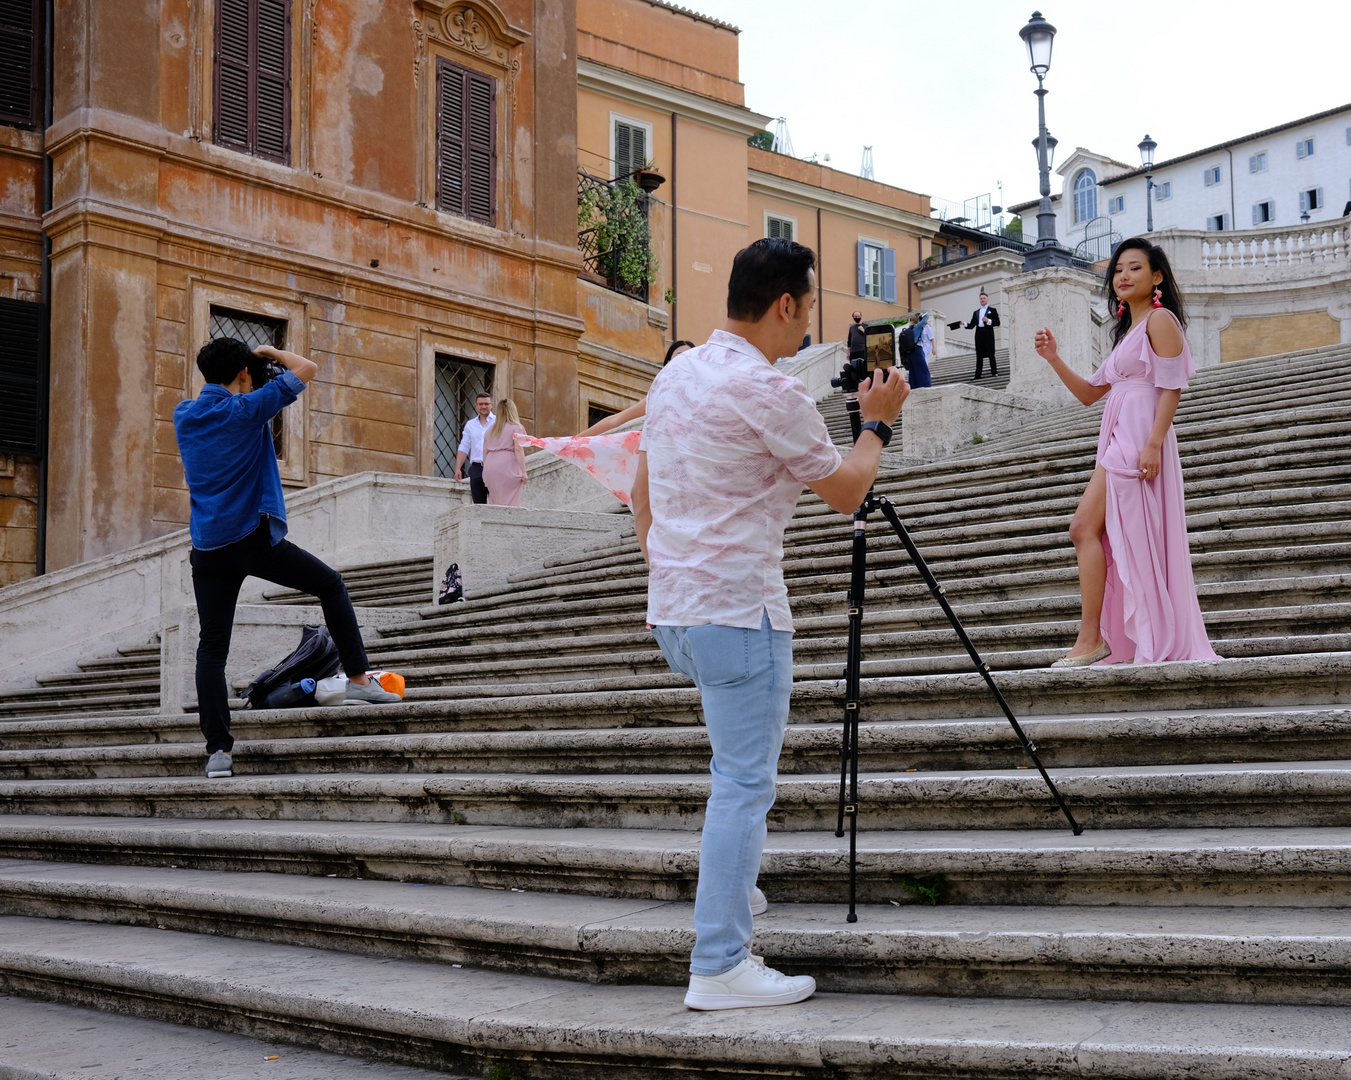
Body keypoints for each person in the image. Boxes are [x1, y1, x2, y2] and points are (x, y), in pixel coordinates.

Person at [632, 238, 908, 1010]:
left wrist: (666, 567)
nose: (807, 325)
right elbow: (848, 490)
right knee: (743, 786)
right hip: (738, 613)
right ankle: (719, 963)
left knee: (732, 780)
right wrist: (877, 423)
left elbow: (639, 491)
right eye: (808, 307)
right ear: (785, 304)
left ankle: (735, 891)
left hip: (676, 614)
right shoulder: (770, 390)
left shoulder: (675, 374)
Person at [173, 339, 400, 779]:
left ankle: (218, 752)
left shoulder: (185, 415)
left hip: (207, 548)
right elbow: (308, 367)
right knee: (330, 584)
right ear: (242, 372)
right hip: (251, 539)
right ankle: (358, 681)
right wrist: (270, 353)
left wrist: (248, 368)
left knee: (212, 649)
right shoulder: (247, 410)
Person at [1035, 236, 1219, 667]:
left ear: (1156, 276)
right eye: (1118, 270)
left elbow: (1171, 386)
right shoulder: (1126, 336)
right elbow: (1088, 393)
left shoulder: (1160, 320)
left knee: (1083, 526)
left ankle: (1090, 638)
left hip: (1138, 437)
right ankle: (1094, 637)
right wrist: (1054, 358)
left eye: (1134, 268)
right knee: (1090, 531)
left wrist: (1153, 443)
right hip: (1119, 435)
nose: (1123, 276)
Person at [576, 339, 693, 438]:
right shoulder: (660, 394)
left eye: (691, 356)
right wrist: (574, 440)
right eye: (680, 356)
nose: (685, 360)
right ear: (668, 363)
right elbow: (618, 420)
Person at [481, 398, 528, 506]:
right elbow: (518, 449)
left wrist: (485, 468)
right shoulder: (517, 428)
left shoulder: (490, 430)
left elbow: (485, 451)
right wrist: (523, 471)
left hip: (490, 465)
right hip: (507, 464)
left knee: (495, 500)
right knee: (509, 501)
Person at [453, 392, 495, 503]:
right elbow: (464, 446)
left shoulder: (498, 422)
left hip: (494, 466)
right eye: (480, 404)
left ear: (492, 405)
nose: (484, 407)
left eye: (486, 403)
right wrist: (458, 468)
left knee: (496, 502)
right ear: (476, 405)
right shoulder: (470, 425)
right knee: (478, 504)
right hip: (476, 468)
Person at [963, 290, 1001, 378]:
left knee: (991, 353)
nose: (982, 300)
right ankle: (977, 374)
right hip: (979, 334)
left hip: (988, 333)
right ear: (979, 300)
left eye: (984, 298)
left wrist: (988, 321)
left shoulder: (992, 310)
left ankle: (994, 372)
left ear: (987, 299)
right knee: (979, 354)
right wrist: (964, 323)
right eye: (981, 299)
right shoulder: (976, 312)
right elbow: (972, 325)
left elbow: (998, 322)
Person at [906, 311, 933, 388]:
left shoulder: (910, 329)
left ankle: (913, 387)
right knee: (923, 371)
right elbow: (927, 316)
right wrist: (923, 314)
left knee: (913, 372)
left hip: (910, 353)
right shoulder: (917, 327)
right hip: (917, 350)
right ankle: (925, 388)